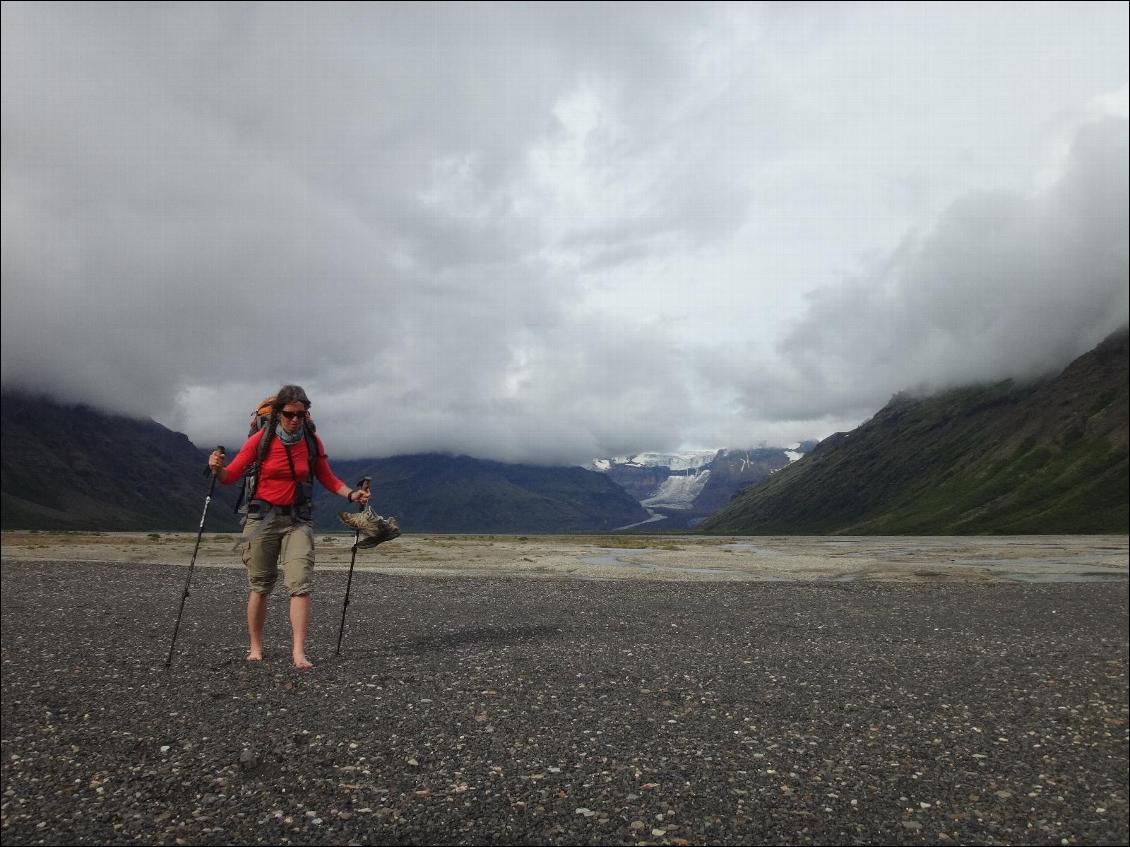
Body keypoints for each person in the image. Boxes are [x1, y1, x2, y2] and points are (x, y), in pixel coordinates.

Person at [208, 385, 369, 668]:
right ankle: (256, 647)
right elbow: (230, 475)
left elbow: (326, 477)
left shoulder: (311, 442)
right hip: (261, 519)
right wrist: (217, 468)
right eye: (289, 414)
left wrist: (351, 495)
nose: (295, 419)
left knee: (300, 584)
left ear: (307, 414)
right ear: (278, 413)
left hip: (298, 519)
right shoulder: (261, 440)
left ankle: (298, 652)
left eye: (301, 414)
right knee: (260, 586)